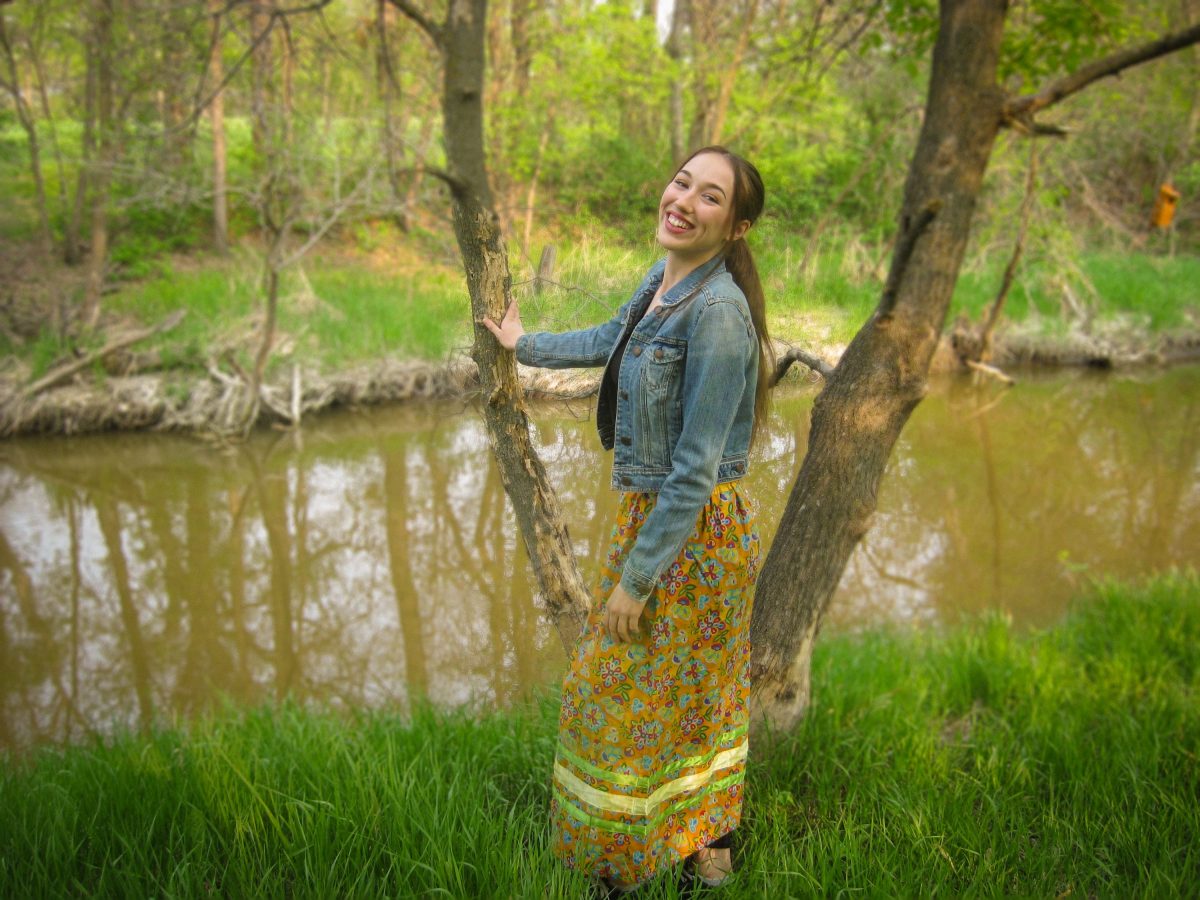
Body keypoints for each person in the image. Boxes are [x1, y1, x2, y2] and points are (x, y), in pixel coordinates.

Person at [483, 146, 772, 892]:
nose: (684, 201)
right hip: (653, 521)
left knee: (656, 693)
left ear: (736, 227)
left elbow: (695, 470)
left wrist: (636, 581)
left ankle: (697, 839)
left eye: (710, 197)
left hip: (696, 537)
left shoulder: (719, 314)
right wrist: (523, 345)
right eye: (682, 182)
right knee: (649, 694)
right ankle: (642, 845)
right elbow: (612, 338)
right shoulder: (664, 279)